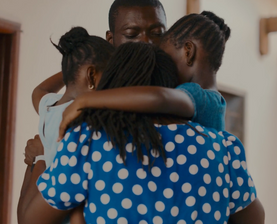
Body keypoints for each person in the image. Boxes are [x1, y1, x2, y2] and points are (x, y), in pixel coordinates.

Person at [18, 42, 265, 224]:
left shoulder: (88, 141)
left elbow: (30, 221)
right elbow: (255, 219)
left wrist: (39, 159)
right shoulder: (224, 147)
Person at [58, 11, 229, 140]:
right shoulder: (214, 101)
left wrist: (86, 100)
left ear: (188, 51)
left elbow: (159, 98)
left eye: (167, 59)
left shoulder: (200, 97)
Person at [31, 27, 114, 168]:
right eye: (110, 77)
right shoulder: (86, 116)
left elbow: (40, 90)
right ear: (92, 76)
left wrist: (72, 67)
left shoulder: (49, 107)